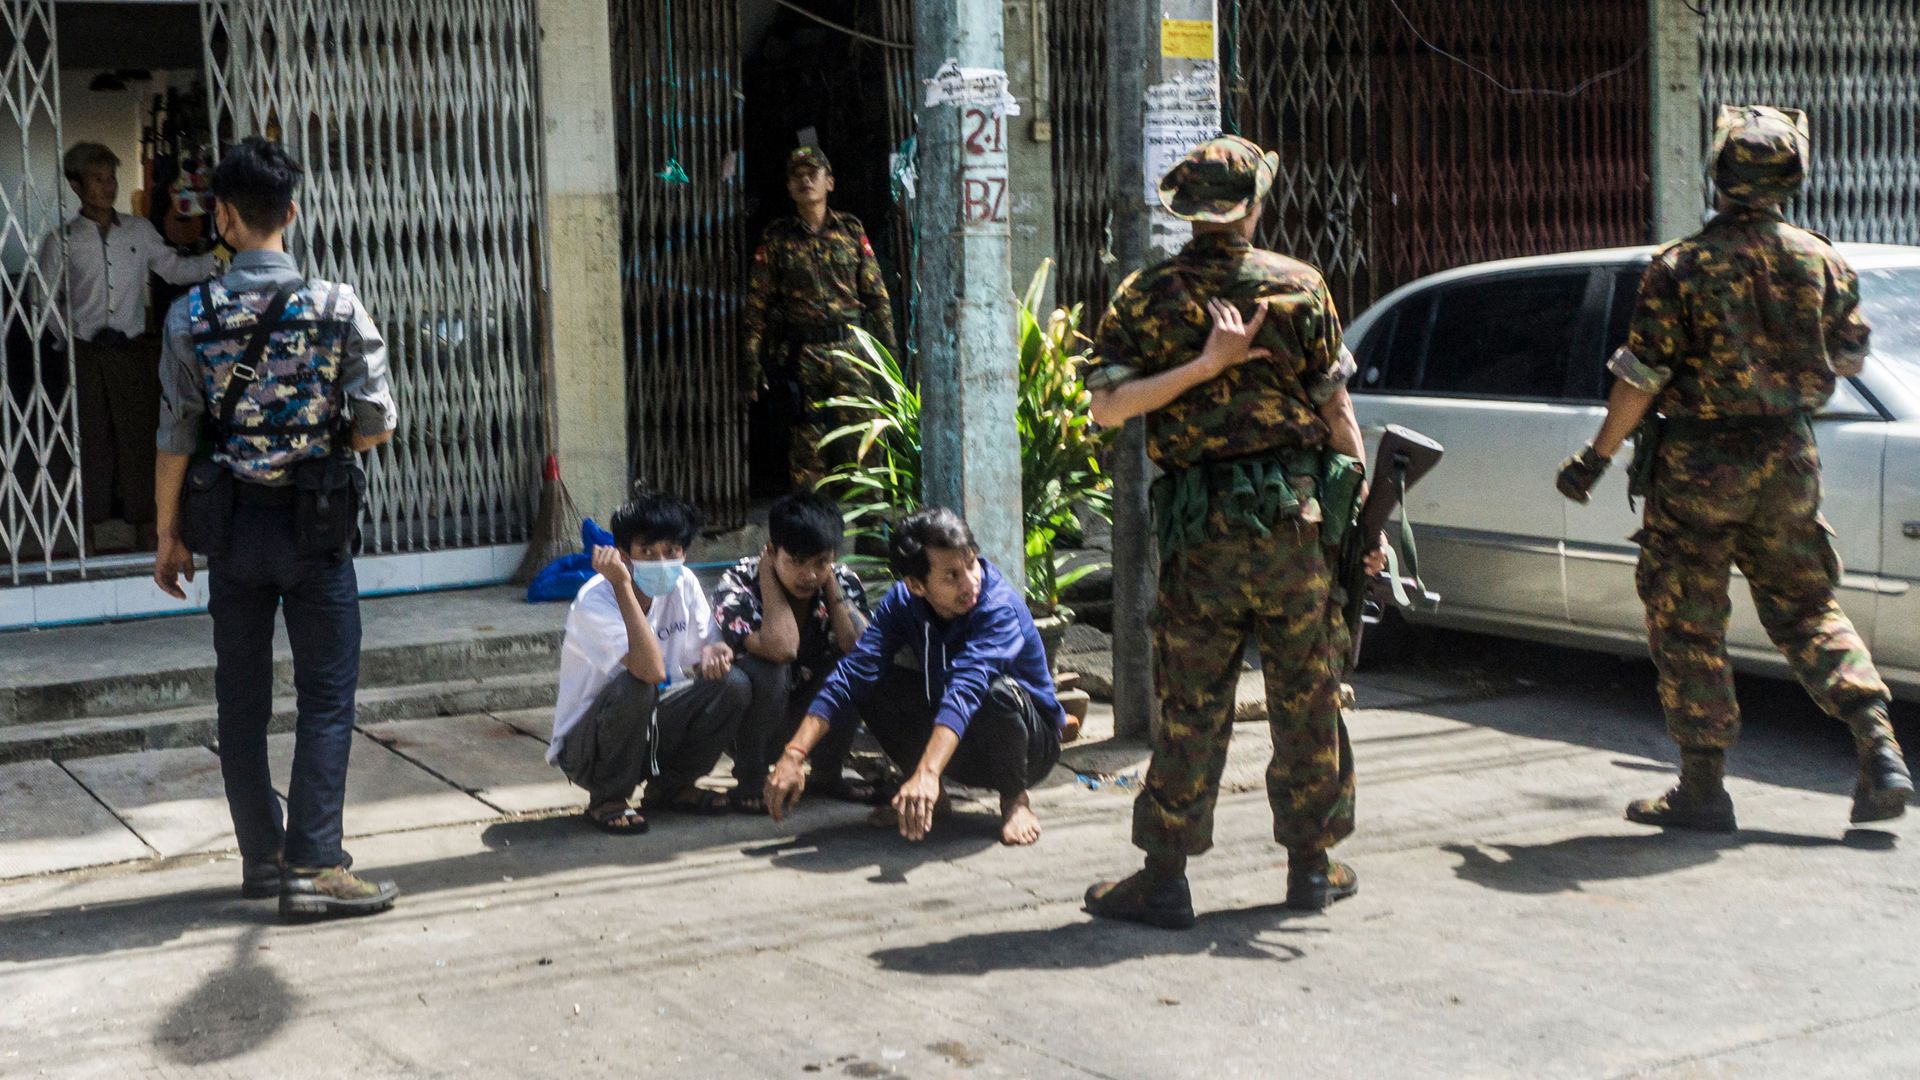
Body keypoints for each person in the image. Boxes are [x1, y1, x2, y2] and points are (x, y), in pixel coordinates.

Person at [1556, 105, 1912, 830]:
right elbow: (1848, 358)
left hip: (1698, 465)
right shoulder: (1823, 260)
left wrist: (1594, 459)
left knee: (1689, 624)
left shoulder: (1681, 266)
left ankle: (1702, 789)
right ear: (1793, 176)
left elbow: (1642, 377)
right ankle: (1878, 747)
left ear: (1718, 173)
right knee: (1808, 607)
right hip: (1788, 457)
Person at [1078, 135, 1388, 930]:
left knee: (1193, 702)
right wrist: (1368, 522)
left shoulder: (1145, 295)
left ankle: (1167, 876)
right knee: (1307, 694)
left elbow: (1107, 408)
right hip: (1297, 527)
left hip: (1201, 535)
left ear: (1191, 209)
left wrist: (1196, 372)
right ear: (1253, 207)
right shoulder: (1300, 287)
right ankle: (1312, 867)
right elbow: (1337, 412)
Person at [151, 137, 398, 919]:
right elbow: (374, 425)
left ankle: (264, 858)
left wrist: (169, 536)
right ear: (292, 212)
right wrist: (315, 428)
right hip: (317, 528)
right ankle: (316, 861)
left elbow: (176, 437)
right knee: (327, 699)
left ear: (222, 217)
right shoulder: (336, 305)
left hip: (234, 533)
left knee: (241, 703)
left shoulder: (192, 314)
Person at [764, 508, 1065, 846]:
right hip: (956, 742)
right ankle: (928, 797)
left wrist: (929, 772)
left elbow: (966, 690)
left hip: (1028, 748)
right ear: (916, 585)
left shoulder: (999, 608)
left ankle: (1014, 799)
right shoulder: (902, 602)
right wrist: (793, 755)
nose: (970, 582)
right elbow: (852, 674)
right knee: (871, 683)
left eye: (971, 563)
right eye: (951, 575)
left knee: (993, 693)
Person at [38, 141, 216, 552]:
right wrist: (71, 334)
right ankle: (95, 524)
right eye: (98, 179)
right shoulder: (61, 241)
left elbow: (173, 268)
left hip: (132, 352)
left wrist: (219, 260)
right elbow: (44, 301)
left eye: (112, 177)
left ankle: (144, 523)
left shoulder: (138, 231)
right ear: (76, 185)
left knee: (138, 436)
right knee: (91, 438)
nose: (108, 187)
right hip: (84, 353)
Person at [548, 490, 751, 833]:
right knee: (637, 685)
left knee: (733, 685)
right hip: (587, 747)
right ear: (624, 555)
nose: (661, 563)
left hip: (649, 731)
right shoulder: (594, 602)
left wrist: (715, 654)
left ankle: (671, 788)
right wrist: (624, 587)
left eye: (671, 552)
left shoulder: (684, 583)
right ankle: (608, 798)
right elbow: (650, 671)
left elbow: (704, 651)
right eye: (647, 552)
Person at [740, 146, 897, 489]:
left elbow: (877, 299)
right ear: (788, 187)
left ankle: (870, 526)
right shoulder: (777, 237)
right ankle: (812, 532)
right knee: (807, 447)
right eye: (797, 175)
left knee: (865, 437)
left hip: (851, 351)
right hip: (802, 355)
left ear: (830, 183)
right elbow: (757, 305)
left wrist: (889, 361)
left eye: (813, 173)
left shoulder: (852, 231)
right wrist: (752, 362)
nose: (805, 180)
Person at [712, 491, 879, 812]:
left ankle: (828, 774)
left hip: (810, 720)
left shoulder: (839, 580)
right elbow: (783, 648)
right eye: (796, 561)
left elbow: (861, 650)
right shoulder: (737, 583)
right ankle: (751, 778)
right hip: (753, 724)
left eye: (821, 561)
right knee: (768, 667)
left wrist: (831, 585)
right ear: (772, 551)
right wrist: (768, 576)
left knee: (856, 666)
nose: (809, 575)